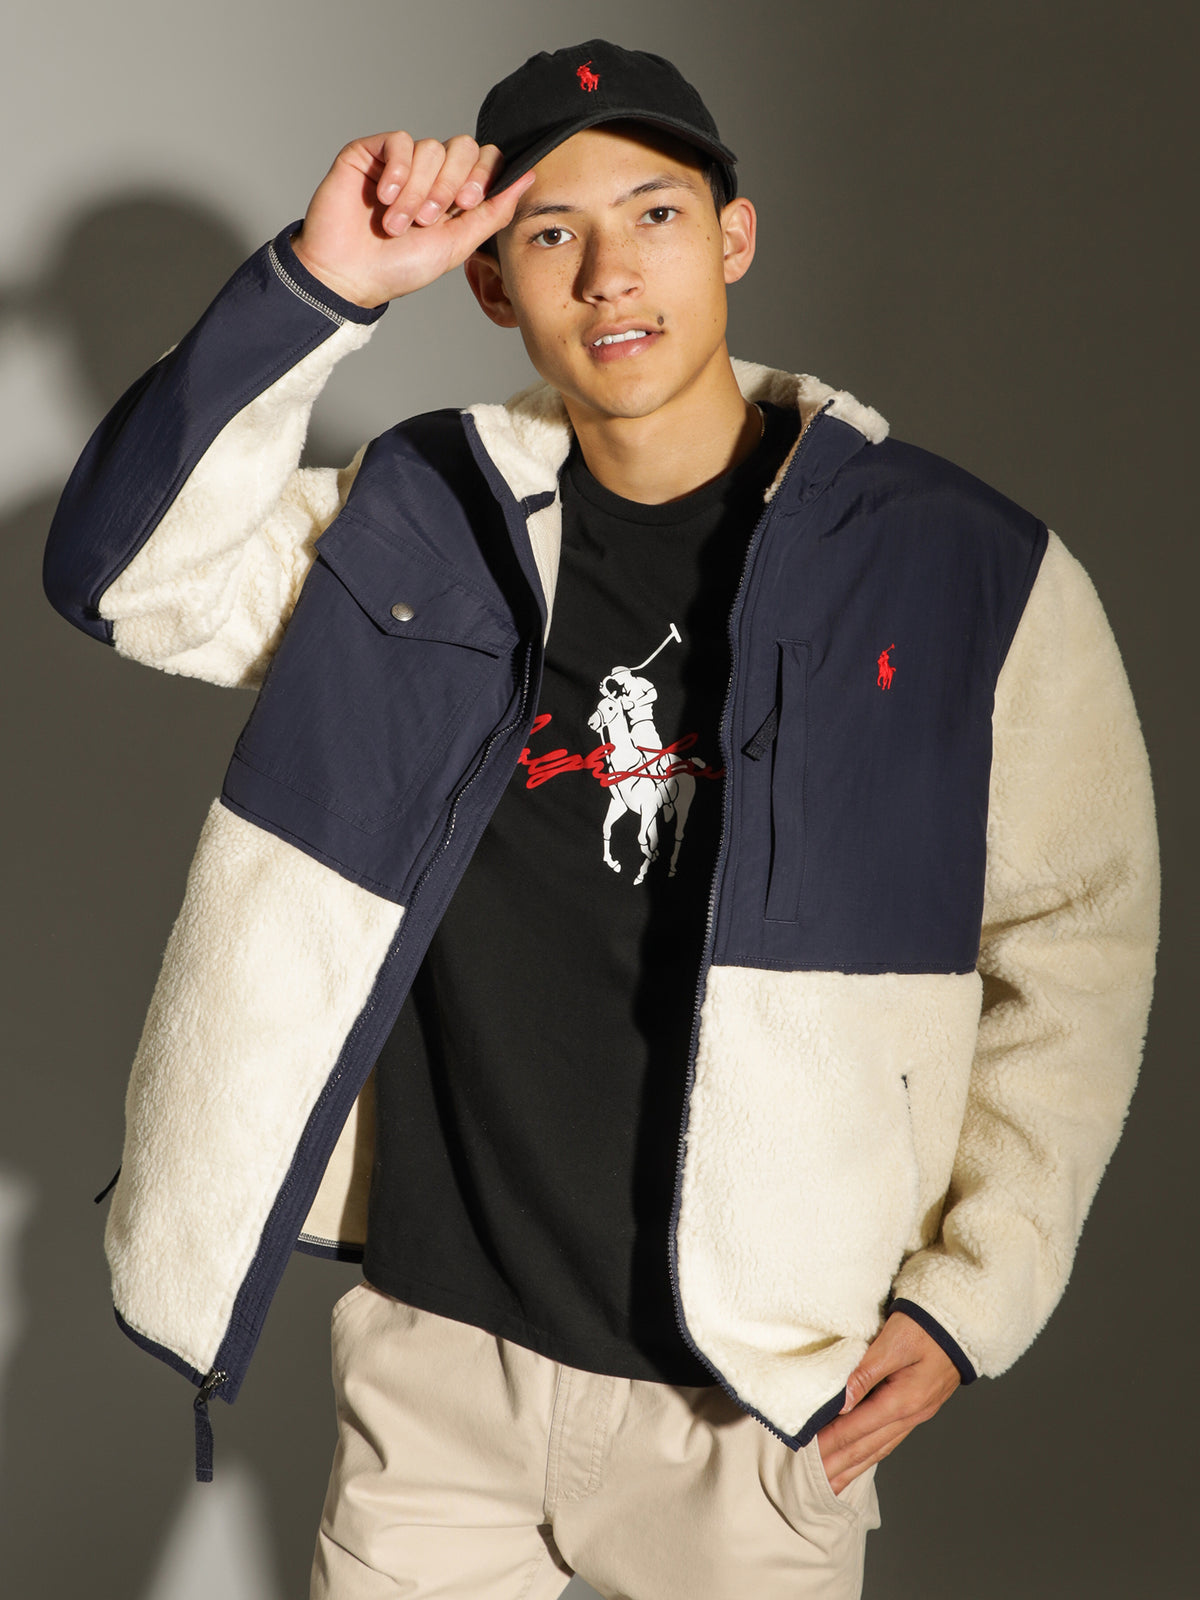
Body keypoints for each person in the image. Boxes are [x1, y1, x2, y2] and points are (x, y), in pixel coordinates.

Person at [43, 38, 1158, 1600]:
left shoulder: (966, 568)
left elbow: (1078, 940)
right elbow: (128, 581)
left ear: (735, 238)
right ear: (491, 284)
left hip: (751, 1394)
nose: (609, 272)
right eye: (551, 232)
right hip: (439, 1365)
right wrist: (324, 283)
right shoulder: (425, 514)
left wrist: (979, 1290)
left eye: (655, 215)